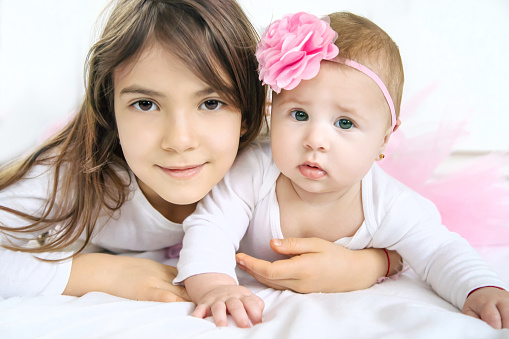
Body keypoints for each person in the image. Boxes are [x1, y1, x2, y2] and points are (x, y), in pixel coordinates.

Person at [0, 1, 399, 308]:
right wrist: (94, 273)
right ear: (110, 108)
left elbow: (405, 227)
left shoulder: (277, 167)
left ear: (248, 111)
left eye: (210, 103)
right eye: (145, 104)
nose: (179, 140)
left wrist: (369, 264)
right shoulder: (76, 176)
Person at [175, 11, 509, 329]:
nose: (316, 140)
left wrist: (480, 288)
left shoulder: (387, 202)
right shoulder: (254, 172)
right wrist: (215, 285)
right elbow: (211, 227)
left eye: (345, 123)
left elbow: (439, 251)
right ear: (271, 113)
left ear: (384, 139)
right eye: (299, 115)